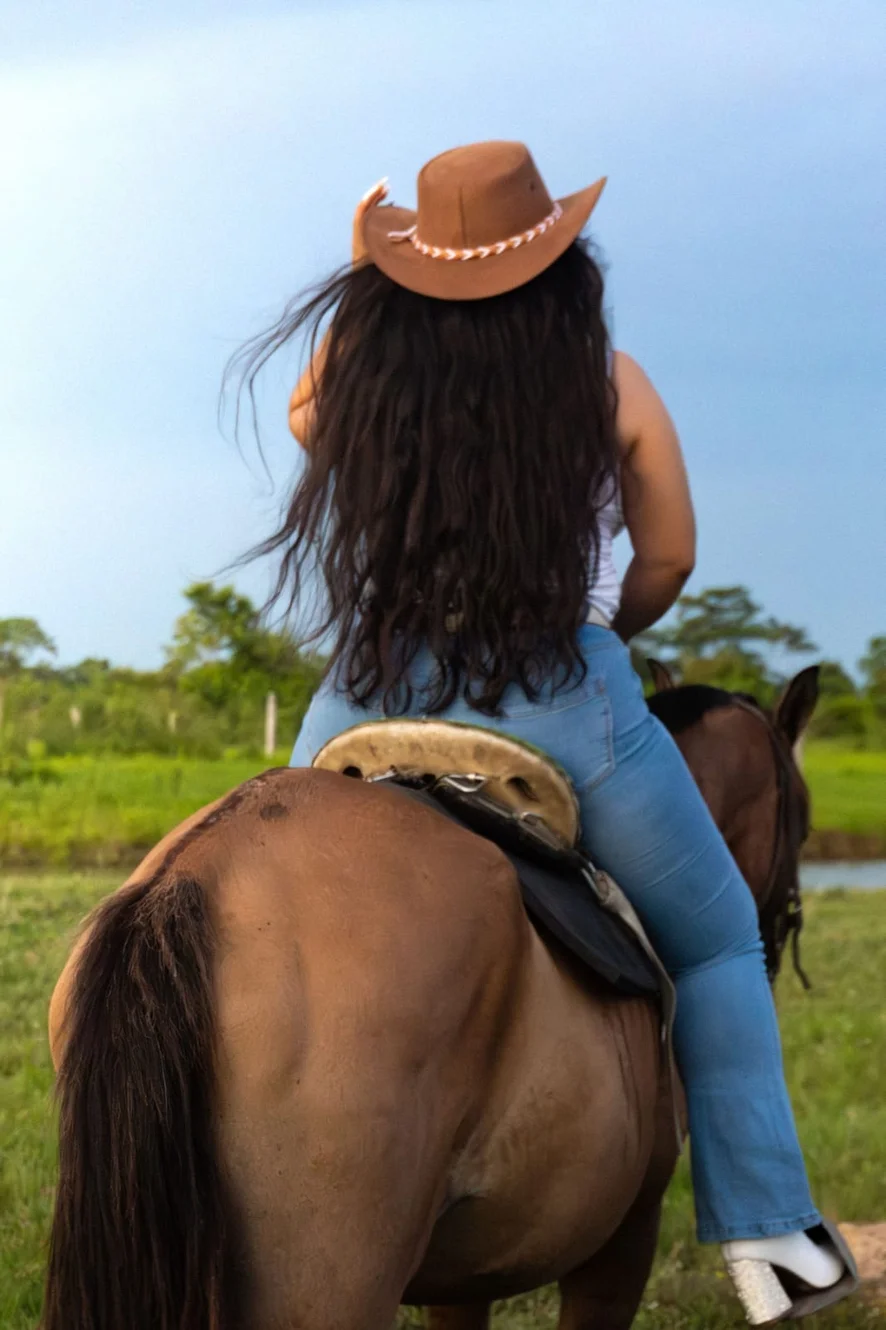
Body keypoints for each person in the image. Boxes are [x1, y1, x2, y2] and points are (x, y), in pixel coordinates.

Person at [234, 141, 855, 1321]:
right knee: (718, 941)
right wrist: (605, 631)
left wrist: (369, 293)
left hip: (364, 691)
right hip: (560, 693)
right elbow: (669, 555)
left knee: (263, 882)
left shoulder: (368, 387)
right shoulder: (612, 385)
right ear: (559, 262)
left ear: (412, 271)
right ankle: (773, 1238)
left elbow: (307, 408)